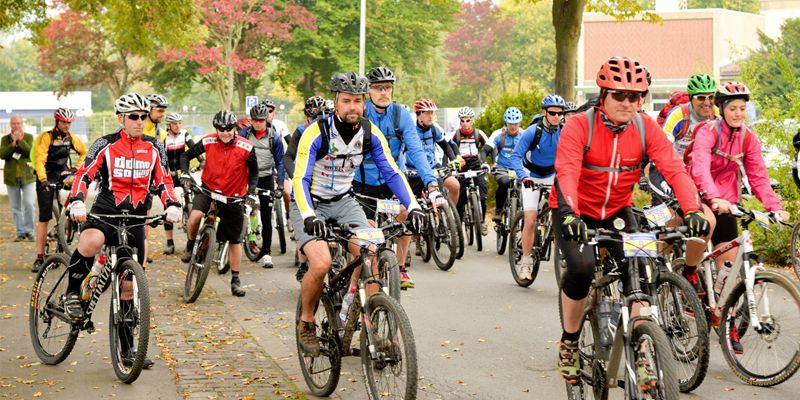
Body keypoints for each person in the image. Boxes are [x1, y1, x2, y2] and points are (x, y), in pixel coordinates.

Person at [552, 56, 710, 387]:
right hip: (575, 211)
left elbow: (674, 168)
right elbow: (566, 169)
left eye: (636, 96)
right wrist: (569, 214)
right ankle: (569, 341)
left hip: (618, 212)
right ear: (603, 95)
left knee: (644, 267)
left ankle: (643, 347)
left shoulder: (644, 127)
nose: (628, 102)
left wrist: (693, 209)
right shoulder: (579, 125)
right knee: (580, 269)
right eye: (620, 95)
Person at [293, 71, 425, 355]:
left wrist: (413, 206)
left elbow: (392, 171)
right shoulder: (316, 133)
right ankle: (306, 323)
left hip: (344, 200)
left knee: (370, 252)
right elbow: (300, 179)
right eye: (346, 101)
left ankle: (368, 328)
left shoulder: (369, 132)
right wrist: (308, 216)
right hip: (310, 203)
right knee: (321, 263)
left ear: (363, 103)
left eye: (357, 101)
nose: (353, 107)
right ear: (336, 102)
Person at [66, 93, 182, 368]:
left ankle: (128, 350)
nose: (140, 122)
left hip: (135, 220)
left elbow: (164, 179)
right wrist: (78, 200)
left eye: (143, 116)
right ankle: (71, 294)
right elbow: (84, 174)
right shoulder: (105, 144)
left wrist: (173, 203)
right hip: (106, 212)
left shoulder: (154, 147)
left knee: (129, 287)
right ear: (120, 118)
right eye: (134, 117)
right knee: (91, 241)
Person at [686, 82, 789, 340]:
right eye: (733, 108)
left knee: (729, 269)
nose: (738, 113)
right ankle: (688, 272)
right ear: (721, 109)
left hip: (728, 201)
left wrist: (774, 208)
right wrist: (713, 197)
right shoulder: (707, 132)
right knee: (706, 224)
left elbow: (758, 177)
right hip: (700, 194)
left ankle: (726, 321)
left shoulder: (748, 137)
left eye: (743, 108)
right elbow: (699, 167)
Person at [352, 66, 442, 289]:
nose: (384, 92)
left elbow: (416, 151)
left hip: (393, 180)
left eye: (388, 88)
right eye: (378, 88)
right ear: (368, 91)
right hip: (364, 183)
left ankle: (400, 267)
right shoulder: (361, 113)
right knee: (368, 234)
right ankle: (361, 281)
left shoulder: (400, 114)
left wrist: (431, 183)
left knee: (409, 212)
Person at [180, 111, 258, 297]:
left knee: (235, 239)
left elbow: (254, 172)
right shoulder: (208, 141)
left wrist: (251, 193)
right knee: (195, 217)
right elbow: (185, 156)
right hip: (208, 189)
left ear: (234, 128)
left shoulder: (246, 147)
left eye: (228, 129)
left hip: (233, 196)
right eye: (220, 129)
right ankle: (191, 245)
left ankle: (236, 279)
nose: (225, 132)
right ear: (216, 129)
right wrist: (184, 173)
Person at [509, 95, 564, 280]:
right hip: (531, 176)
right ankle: (525, 262)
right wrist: (523, 176)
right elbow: (515, 156)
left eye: (560, 113)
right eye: (553, 113)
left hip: (551, 175)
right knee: (531, 220)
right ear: (544, 112)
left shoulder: (564, 131)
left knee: (563, 216)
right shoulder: (533, 132)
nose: (557, 116)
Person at [32, 108, 88, 272]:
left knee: (78, 187)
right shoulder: (46, 137)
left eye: (69, 123)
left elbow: (85, 152)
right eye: (64, 122)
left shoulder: (71, 138)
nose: (66, 125)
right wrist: (43, 180)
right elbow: (39, 160)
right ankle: (40, 256)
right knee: (44, 216)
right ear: (57, 121)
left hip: (63, 174)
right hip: (46, 176)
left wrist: (75, 169)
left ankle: (67, 218)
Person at [238, 103, 285, 269]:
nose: (258, 123)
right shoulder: (244, 134)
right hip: (247, 177)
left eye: (261, 120)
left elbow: (280, 163)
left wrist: (279, 185)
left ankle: (266, 253)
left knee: (266, 217)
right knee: (238, 210)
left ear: (266, 120)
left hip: (265, 177)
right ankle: (233, 246)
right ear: (251, 120)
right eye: (255, 120)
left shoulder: (274, 138)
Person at [160, 112, 199, 254]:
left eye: (179, 123)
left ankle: (190, 211)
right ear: (168, 126)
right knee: (168, 205)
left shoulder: (184, 134)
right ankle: (170, 242)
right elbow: (161, 158)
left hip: (183, 172)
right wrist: (166, 172)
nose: (178, 126)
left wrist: (202, 161)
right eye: (175, 123)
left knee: (197, 191)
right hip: (169, 174)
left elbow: (194, 149)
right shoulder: (164, 138)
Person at [452, 107, 491, 235]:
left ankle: (482, 221)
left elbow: (488, 147)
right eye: (462, 120)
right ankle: (458, 226)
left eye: (467, 120)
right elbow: (448, 149)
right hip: (461, 166)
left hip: (476, 165)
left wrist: (485, 162)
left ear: (472, 120)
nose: (465, 123)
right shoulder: (456, 134)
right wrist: (450, 166)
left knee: (483, 194)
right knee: (460, 197)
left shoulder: (478, 133)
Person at [662, 73, 718, 158]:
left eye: (711, 97)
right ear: (691, 98)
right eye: (701, 98)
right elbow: (663, 146)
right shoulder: (678, 114)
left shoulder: (718, 114)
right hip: (679, 165)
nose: (707, 103)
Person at [1, 115, 36, 242]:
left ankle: (30, 231)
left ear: (22, 124)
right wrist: (13, 143)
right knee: (16, 207)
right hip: (11, 178)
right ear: (10, 125)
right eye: (14, 123)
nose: (16, 126)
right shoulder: (5, 139)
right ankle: (20, 232)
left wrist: (21, 141)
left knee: (29, 204)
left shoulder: (29, 137)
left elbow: (30, 152)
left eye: (18, 123)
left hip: (27, 176)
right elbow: (2, 154)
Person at [488, 107, 524, 225]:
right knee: (504, 183)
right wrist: (484, 163)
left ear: (519, 122)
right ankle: (499, 210)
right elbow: (485, 150)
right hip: (502, 168)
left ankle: (524, 214)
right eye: (510, 123)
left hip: (519, 169)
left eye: (515, 123)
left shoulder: (524, 135)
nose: (513, 126)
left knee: (526, 187)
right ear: (506, 123)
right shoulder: (498, 134)